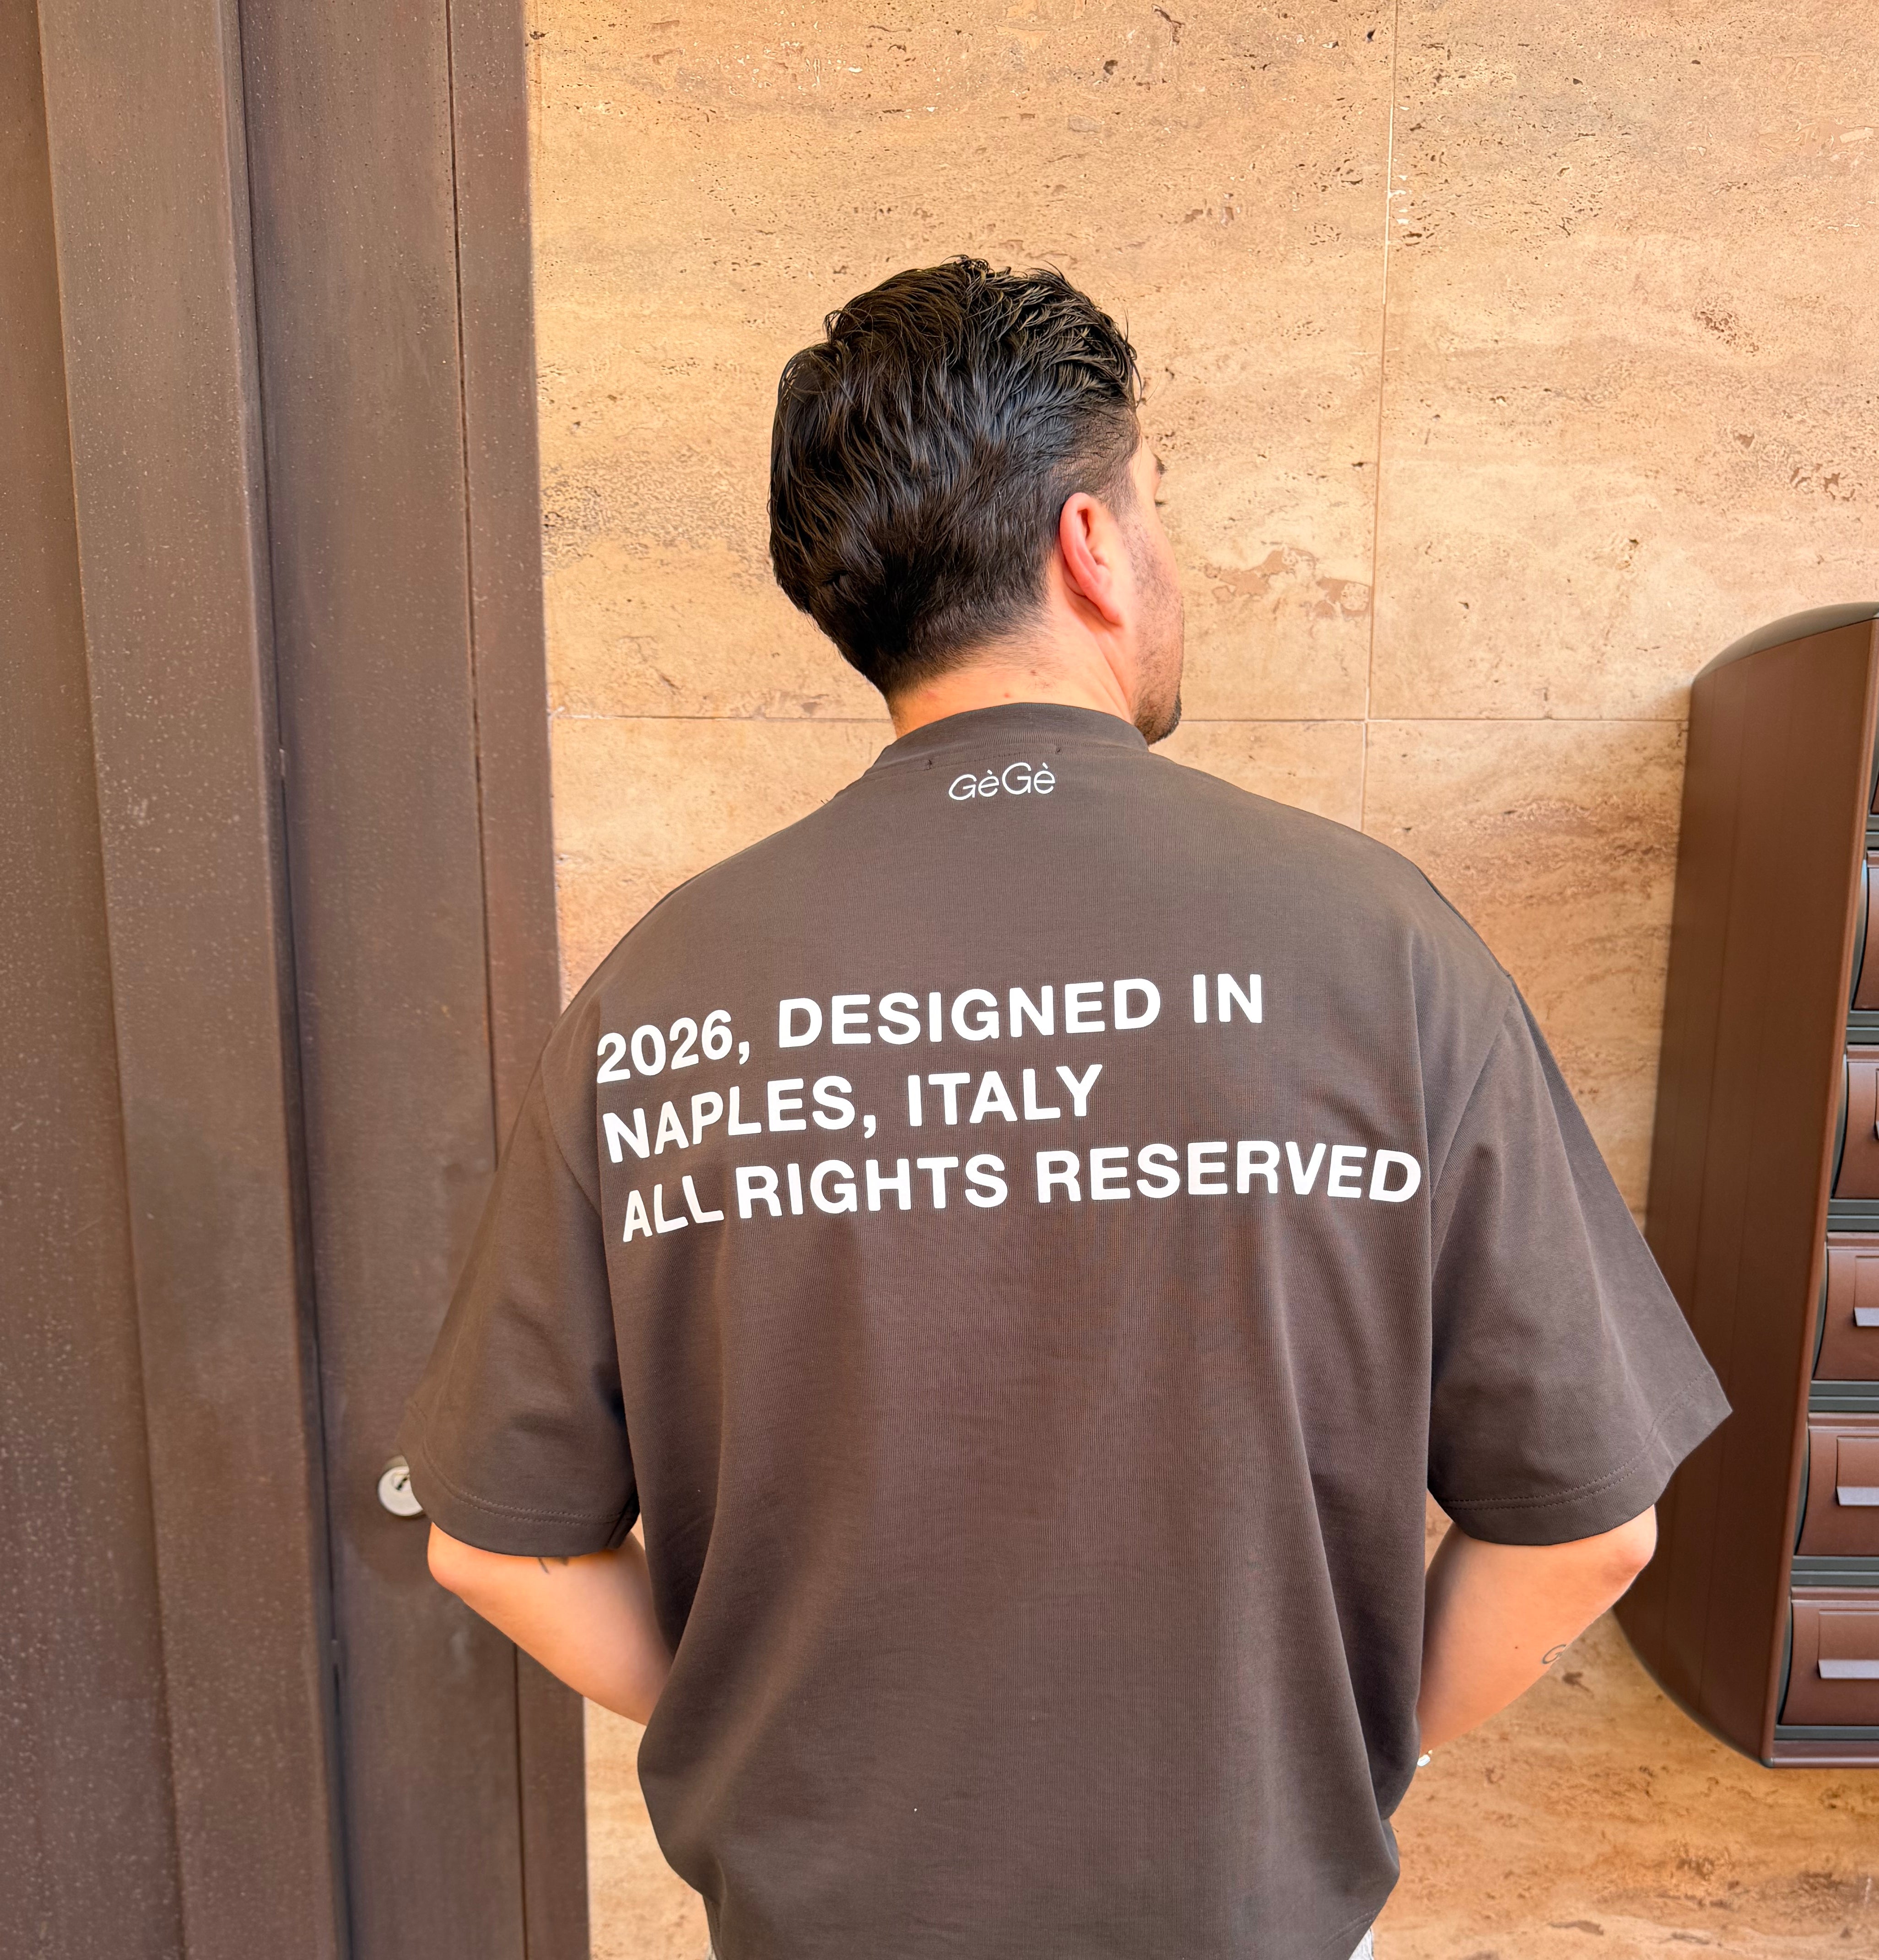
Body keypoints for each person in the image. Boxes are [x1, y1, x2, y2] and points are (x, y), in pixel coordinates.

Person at [400, 259, 1728, 1960]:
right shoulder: (1374, 946)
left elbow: (493, 1547)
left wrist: (774, 1740)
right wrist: (1315, 1767)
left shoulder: (658, 992)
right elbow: (1588, 1529)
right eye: (1155, 502)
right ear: (1091, 543)